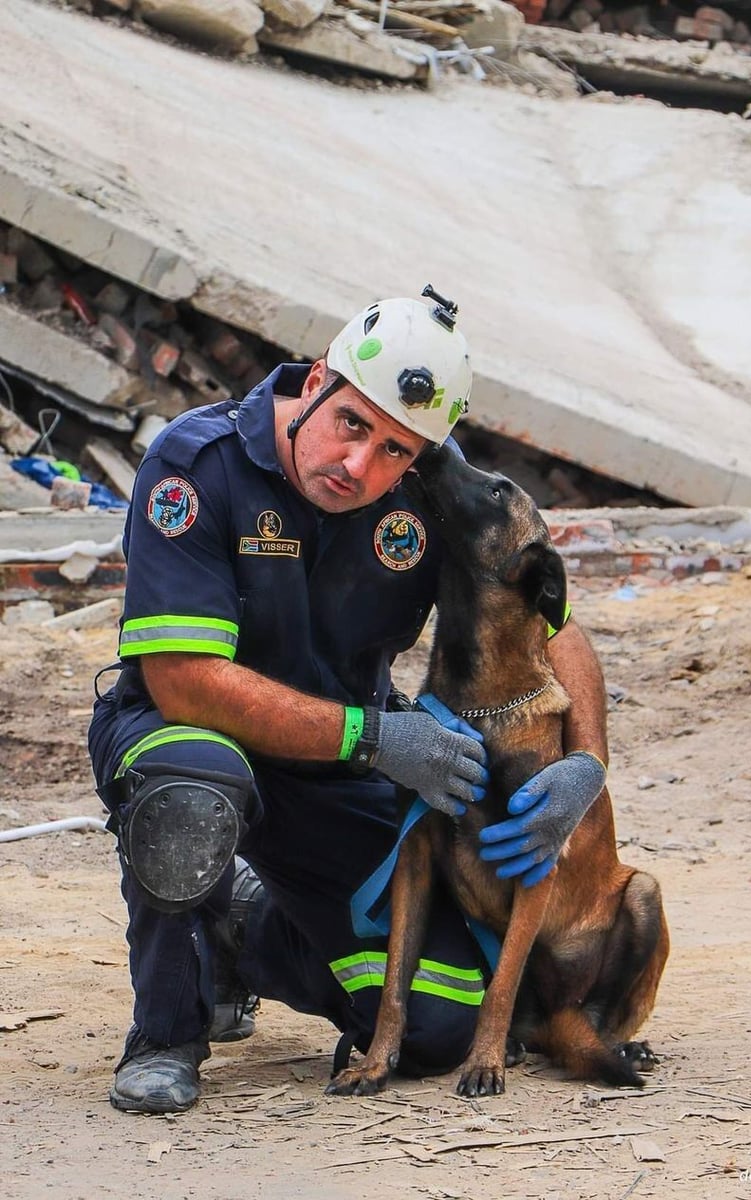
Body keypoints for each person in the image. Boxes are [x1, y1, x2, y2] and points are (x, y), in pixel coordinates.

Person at [88, 285, 609, 1114]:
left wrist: (588, 765)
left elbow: (557, 626)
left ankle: (239, 939)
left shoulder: (428, 498)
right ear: (321, 380)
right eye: (352, 425)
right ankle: (167, 1030)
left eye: (398, 451)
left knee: (440, 1027)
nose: (360, 467)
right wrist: (375, 740)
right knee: (191, 789)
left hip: (340, 762)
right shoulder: (198, 464)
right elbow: (183, 679)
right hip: (190, 730)